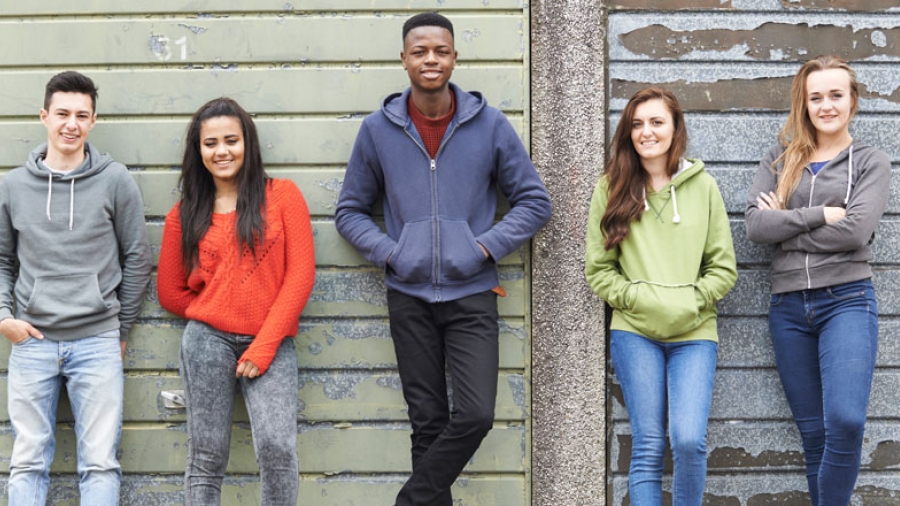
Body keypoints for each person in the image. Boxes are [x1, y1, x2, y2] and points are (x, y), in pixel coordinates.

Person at [334, 12, 551, 506]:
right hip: (408, 296)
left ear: (454, 57)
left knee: (475, 414)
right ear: (404, 59)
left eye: (440, 51)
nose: (430, 59)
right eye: (420, 51)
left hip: (472, 294)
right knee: (427, 422)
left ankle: (408, 501)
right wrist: (393, 252)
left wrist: (482, 247)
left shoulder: (489, 125)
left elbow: (535, 202)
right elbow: (349, 212)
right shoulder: (378, 130)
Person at [0, 71, 152, 505]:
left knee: (100, 463)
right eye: (62, 113)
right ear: (44, 116)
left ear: (93, 121)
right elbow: (2, 260)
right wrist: (4, 318)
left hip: (97, 341)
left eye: (82, 115)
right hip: (32, 340)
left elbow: (138, 258)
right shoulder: (12, 186)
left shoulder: (115, 180)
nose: (71, 124)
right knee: (27, 461)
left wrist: (119, 329)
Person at [156, 97, 316, 506]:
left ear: (248, 143)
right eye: (210, 143)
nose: (222, 151)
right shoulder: (184, 214)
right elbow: (170, 292)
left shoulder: (283, 196)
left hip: (271, 341)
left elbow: (300, 276)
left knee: (278, 449)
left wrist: (264, 345)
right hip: (207, 341)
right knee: (207, 455)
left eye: (231, 140)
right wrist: (214, 309)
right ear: (199, 150)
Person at [746, 55, 889, 506]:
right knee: (814, 435)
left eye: (835, 95)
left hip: (846, 300)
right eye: (816, 97)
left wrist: (787, 229)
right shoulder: (779, 159)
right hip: (788, 308)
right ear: (804, 104)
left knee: (845, 421)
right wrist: (819, 215)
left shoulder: (870, 162)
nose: (826, 105)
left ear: (853, 101)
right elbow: (756, 227)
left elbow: (856, 232)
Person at [585, 87, 737, 505]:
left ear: (675, 128)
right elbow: (599, 270)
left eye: (656, 122)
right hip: (635, 332)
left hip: (694, 333)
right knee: (648, 445)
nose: (646, 132)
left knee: (688, 440)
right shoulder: (611, 188)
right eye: (637, 124)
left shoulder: (703, 187)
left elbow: (723, 268)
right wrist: (637, 299)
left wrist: (691, 301)